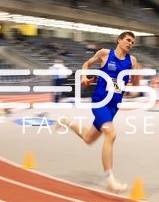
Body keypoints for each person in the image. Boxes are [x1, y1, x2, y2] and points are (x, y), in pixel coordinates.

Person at [59, 31, 139, 193]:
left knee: (89, 139)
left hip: (113, 106)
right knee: (111, 134)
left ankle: (66, 121)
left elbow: (135, 84)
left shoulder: (132, 61)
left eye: (132, 42)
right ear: (119, 40)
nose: (130, 44)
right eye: (128, 40)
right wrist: (84, 77)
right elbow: (86, 64)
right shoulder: (105, 54)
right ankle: (110, 180)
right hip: (100, 102)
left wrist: (135, 79)